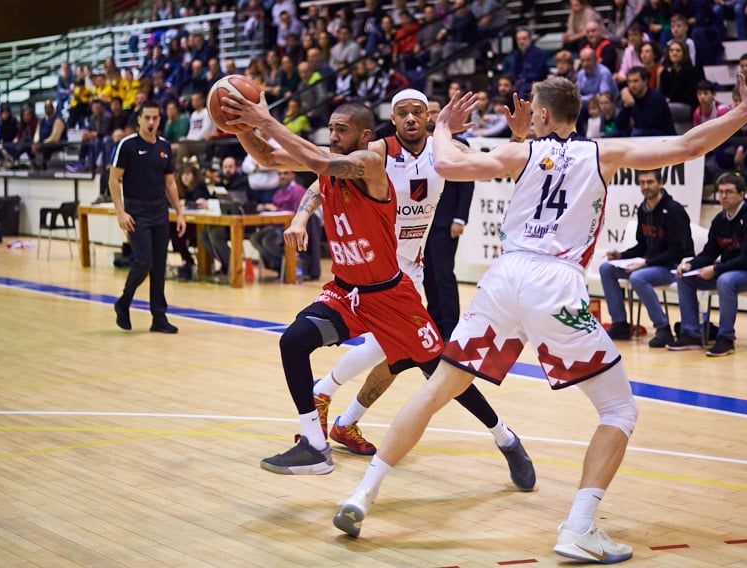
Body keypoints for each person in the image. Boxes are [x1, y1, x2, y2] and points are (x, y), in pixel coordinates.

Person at [332, 65, 747, 561]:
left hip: (504, 277)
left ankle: (362, 495)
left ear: (542, 114)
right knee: (619, 410)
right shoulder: (603, 152)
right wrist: (746, 108)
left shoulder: (520, 151)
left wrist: (442, 127)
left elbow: (450, 166)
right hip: (555, 282)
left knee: (440, 386)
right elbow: (688, 146)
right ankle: (580, 528)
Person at [224, 90, 534, 488]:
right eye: (401, 112)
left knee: (435, 370)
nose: (333, 135)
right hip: (349, 289)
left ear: (426, 119)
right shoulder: (374, 151)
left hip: (396, 286)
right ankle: (318, 443)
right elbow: (277, 160)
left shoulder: (395, 157)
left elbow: (497, 168)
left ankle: (505, 437)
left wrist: (517, 139)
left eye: (417, 112)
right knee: (296, 342)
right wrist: (238, 126)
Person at [667, 172, 747, 356]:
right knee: (685, 278)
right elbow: (710, 252)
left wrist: (715, 269)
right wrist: (691, 265)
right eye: (721, 192)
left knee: (725, 280)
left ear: (741, 195)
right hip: (729, 270)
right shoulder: (719, 220)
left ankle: (726, 338)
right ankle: (691, 334)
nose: (723, 196)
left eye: (729, 192)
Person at [109, 101, 186, 334]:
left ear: (159, 120)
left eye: (155, 118)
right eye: (147, 118)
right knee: (143, 262)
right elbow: (114, 180)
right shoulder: (128, 145)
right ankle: (123, 302)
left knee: (159, 266)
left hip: (160, 211)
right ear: (139, 119)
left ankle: (159, 317)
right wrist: (120, 212)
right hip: (137, 211)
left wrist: (179, 212)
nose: (151, 122)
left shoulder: (164, 146)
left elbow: (170, 182)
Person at [600, 169, 694, 347]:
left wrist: (645, 263)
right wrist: (621, 256)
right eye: (642, 182)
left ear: (660, 183)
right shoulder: (643, 210)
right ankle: (620, 324)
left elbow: (677, 251)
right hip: (651, 264)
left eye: (650, 182)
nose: (646, 187)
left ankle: (663, 328)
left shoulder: (674, 211)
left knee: (638, 277)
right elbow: (642, 246)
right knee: (607, 268)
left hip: (673, 266)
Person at [423, 97, 475, 340]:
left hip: (446, 222)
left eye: (435, 112)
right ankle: (434, 321)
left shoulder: (457, 143)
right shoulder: (419, 145)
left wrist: (460, 218)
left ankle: (452, 326)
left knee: (444, 274)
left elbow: (466, 184)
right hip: (422, 222)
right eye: (428, 113)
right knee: (427, 274)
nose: (431, 116)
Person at [250, 169, 322, 279]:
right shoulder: (279, 191)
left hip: (289, 226)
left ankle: (290, 267)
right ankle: (280, 266)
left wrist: (276, 209)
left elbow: (299, 213)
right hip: (276, 225)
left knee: (267, 240)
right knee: (255, 238)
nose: (282, 176)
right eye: (279, 174)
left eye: (285, 173)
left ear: (293, 174)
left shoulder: (298, 191)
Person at [616, 66, 677, 136]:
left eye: (636, 81)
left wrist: (632, 105)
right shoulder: (630, 96)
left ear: (645, 81)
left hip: (663, 135)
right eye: (629, 82)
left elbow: (645, 124)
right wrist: (626, 106)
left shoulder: (655, 98)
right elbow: (619, 126)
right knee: (614, 134)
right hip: (642, 133)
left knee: (636, 133)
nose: (632, 85)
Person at [509, 28, 550, 100]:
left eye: (524, 39)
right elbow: (513, 71)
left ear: (530, 39)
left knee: (523, 88)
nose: (521, 42)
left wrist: (522, 79)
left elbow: (539, 74)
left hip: (534, 83)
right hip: (520, 82)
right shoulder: (516, 54)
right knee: (503, 86)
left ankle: (522, 109)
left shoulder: (538, 54)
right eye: (518, 39)